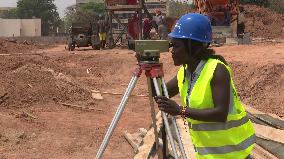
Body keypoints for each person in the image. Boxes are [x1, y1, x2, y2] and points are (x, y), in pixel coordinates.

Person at [154, 13, 255, 159]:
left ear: (193, 46)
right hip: (208, 154)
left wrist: (180, 110)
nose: (172, 51)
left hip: (233, 154)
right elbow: (160, 92)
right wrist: (151, 67)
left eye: (176, 46)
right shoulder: (185, 71)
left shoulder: (217, 70)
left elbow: (221, 113)